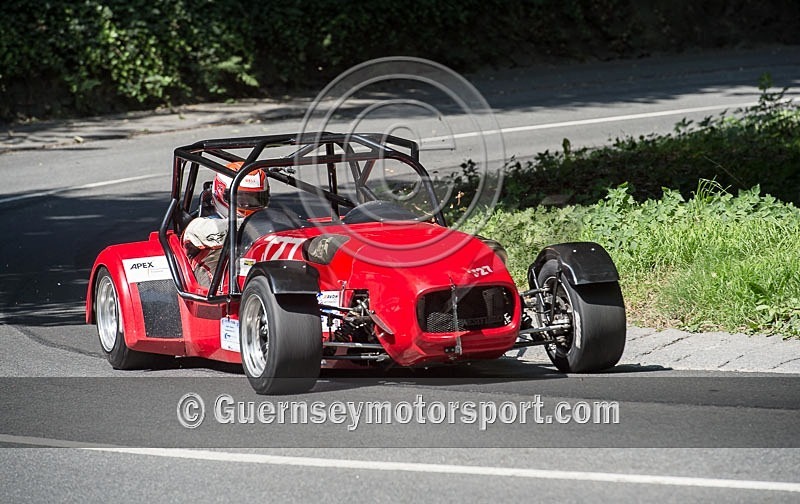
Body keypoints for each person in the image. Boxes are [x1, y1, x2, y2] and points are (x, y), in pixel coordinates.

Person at [182, 163, 270, 287]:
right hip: (219, 286)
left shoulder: (264, 223)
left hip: (262, 276)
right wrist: (258, 223)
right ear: (222, 194)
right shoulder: (198, 226)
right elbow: (215, 230)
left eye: (255, 199)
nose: (248, 205)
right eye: (241, 199)